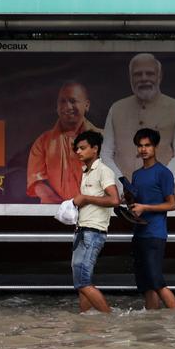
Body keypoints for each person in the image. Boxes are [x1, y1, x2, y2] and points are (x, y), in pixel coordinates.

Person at [102, 53, 175, 202]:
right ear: (131, 78)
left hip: (166, 194)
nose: (144, 78)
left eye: (149, 73)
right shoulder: (117, 108)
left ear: (159, 76)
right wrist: (121, 185)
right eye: (138, 74)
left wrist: (158, 185)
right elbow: (106, 154)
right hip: (122, 196)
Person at [128, 127, 175, 310]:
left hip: (155, 234)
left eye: (147, 145)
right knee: (146, 286)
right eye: (140, 146)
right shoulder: (137, 174)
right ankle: (152, 326)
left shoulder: (163, 172)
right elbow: (137, 203)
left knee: (157, 281)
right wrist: (130, 207)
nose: (143, 149)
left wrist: (145, 207)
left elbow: (172, 204)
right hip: (139, 233)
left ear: (155, 146)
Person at [27, 81, 100, 203]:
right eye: (62, 101)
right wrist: (62, 206)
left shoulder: (103, 139)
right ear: (57, 106)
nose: (67, 106)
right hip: (55, 212)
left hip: (94, 211)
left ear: (86, 105)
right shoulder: (43, 142)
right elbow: (37, 183)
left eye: (73, 101)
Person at [71, 130, 119, 313]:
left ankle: (108, 317)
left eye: (82, 148)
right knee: (82, 281)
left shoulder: (103, 171)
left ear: (95, 149)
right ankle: (85, 319)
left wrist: (85, 199)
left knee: (82, 281)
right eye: (77, 148)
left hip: (93, 232)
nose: (78, 152)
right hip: (82, 230)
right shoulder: (86, 172)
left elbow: (114, 200)